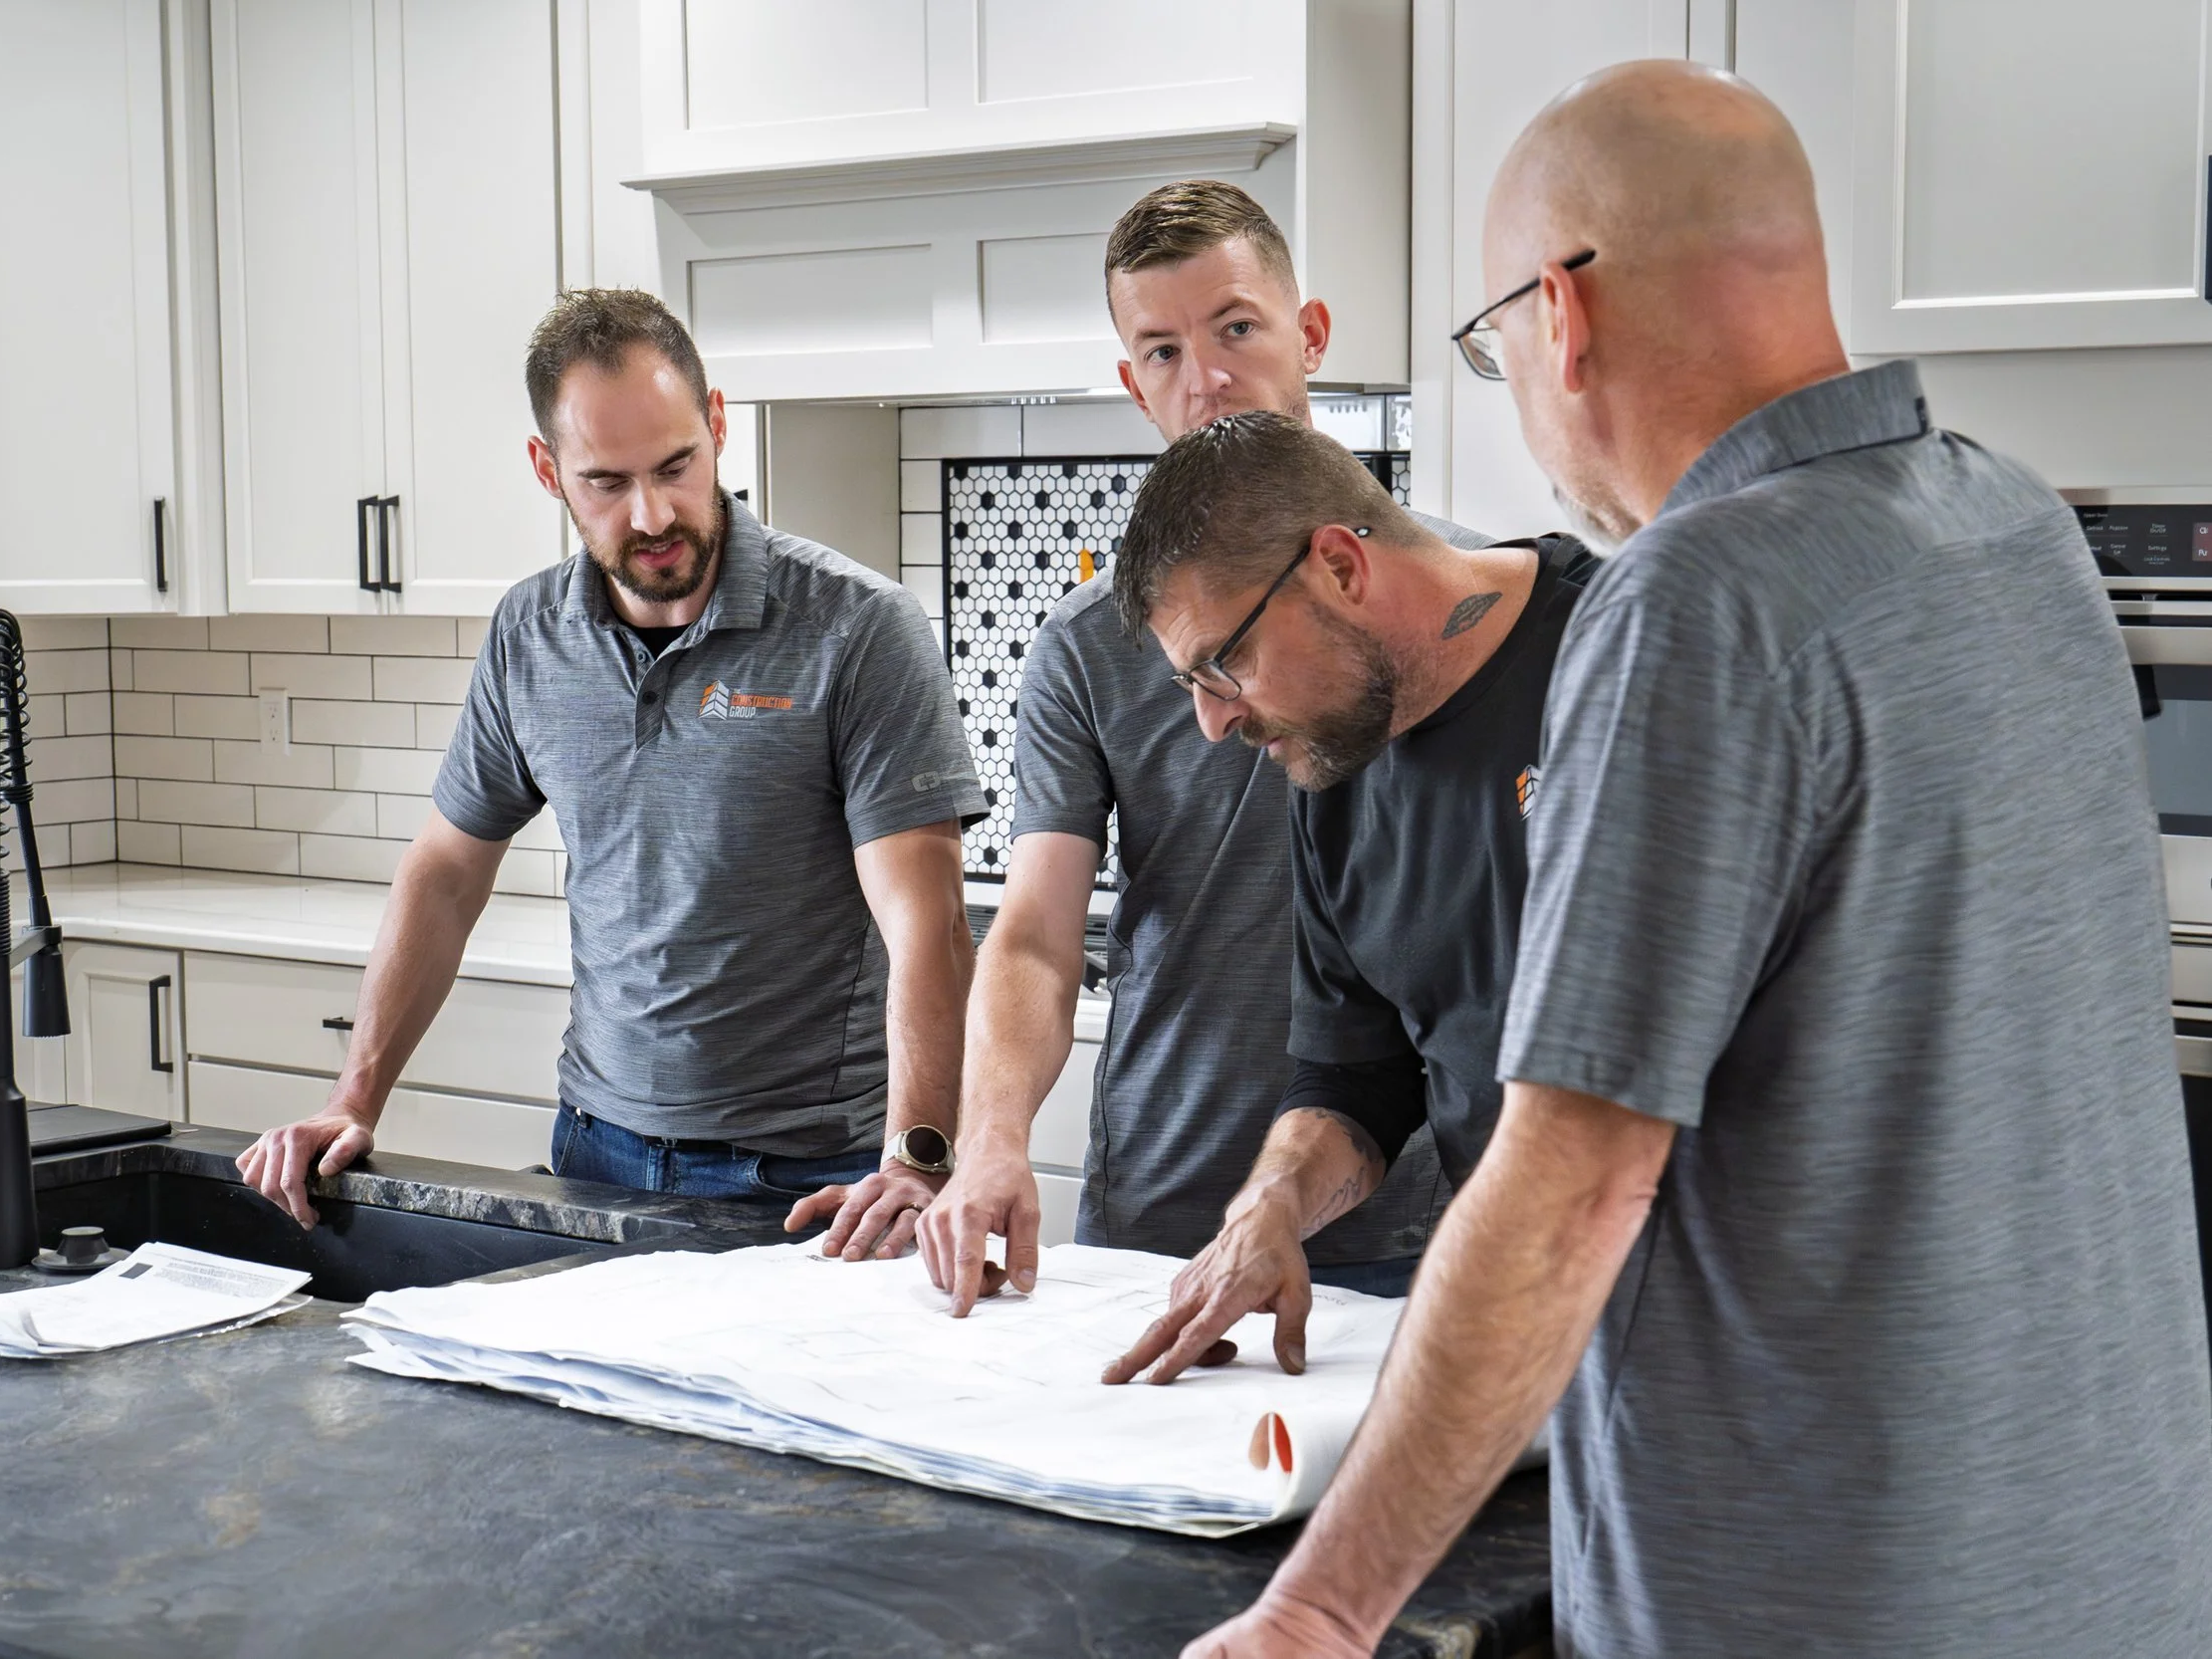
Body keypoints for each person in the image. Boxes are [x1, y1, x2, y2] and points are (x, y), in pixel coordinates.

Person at [1186, 62, 2212, 1659]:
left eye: (1496, 343)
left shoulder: (1694, 604)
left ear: (1562, 318)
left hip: (1823, 1592)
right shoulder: (2015, 527)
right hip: (2104, 1552)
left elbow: (1574, 1177)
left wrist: (1319, 1609)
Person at [236, 289, 985, 1263]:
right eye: (606, 481)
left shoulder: (855, 628)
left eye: (676, 465)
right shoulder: (530, 634)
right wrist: (353, 1097)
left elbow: (924, 914)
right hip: (594, 1152)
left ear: (717, 427)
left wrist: (920, 1157)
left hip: (809, 1178)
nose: (653, 513)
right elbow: (447, 870)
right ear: (548, 472)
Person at [917, 180, 1490, 1319]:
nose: (1208, 378)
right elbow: (1032, 935)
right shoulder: (1086, 646)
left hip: (1406, 1224)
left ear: (1309, 334)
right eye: (1164, 350)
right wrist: (986, 1138)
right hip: (1158, 1219)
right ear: (1133, 383)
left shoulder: (1456, 601)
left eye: (1236, 328)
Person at [1100, 413, 1591, 1386]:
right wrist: (1272, 1204)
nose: (1212, 720)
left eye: (1221, 663)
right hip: (1518, 1336)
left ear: (1337, 565)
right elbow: (1357, 1076)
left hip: (1719, 1327)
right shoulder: (1332, 770)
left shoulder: (1621, 660)